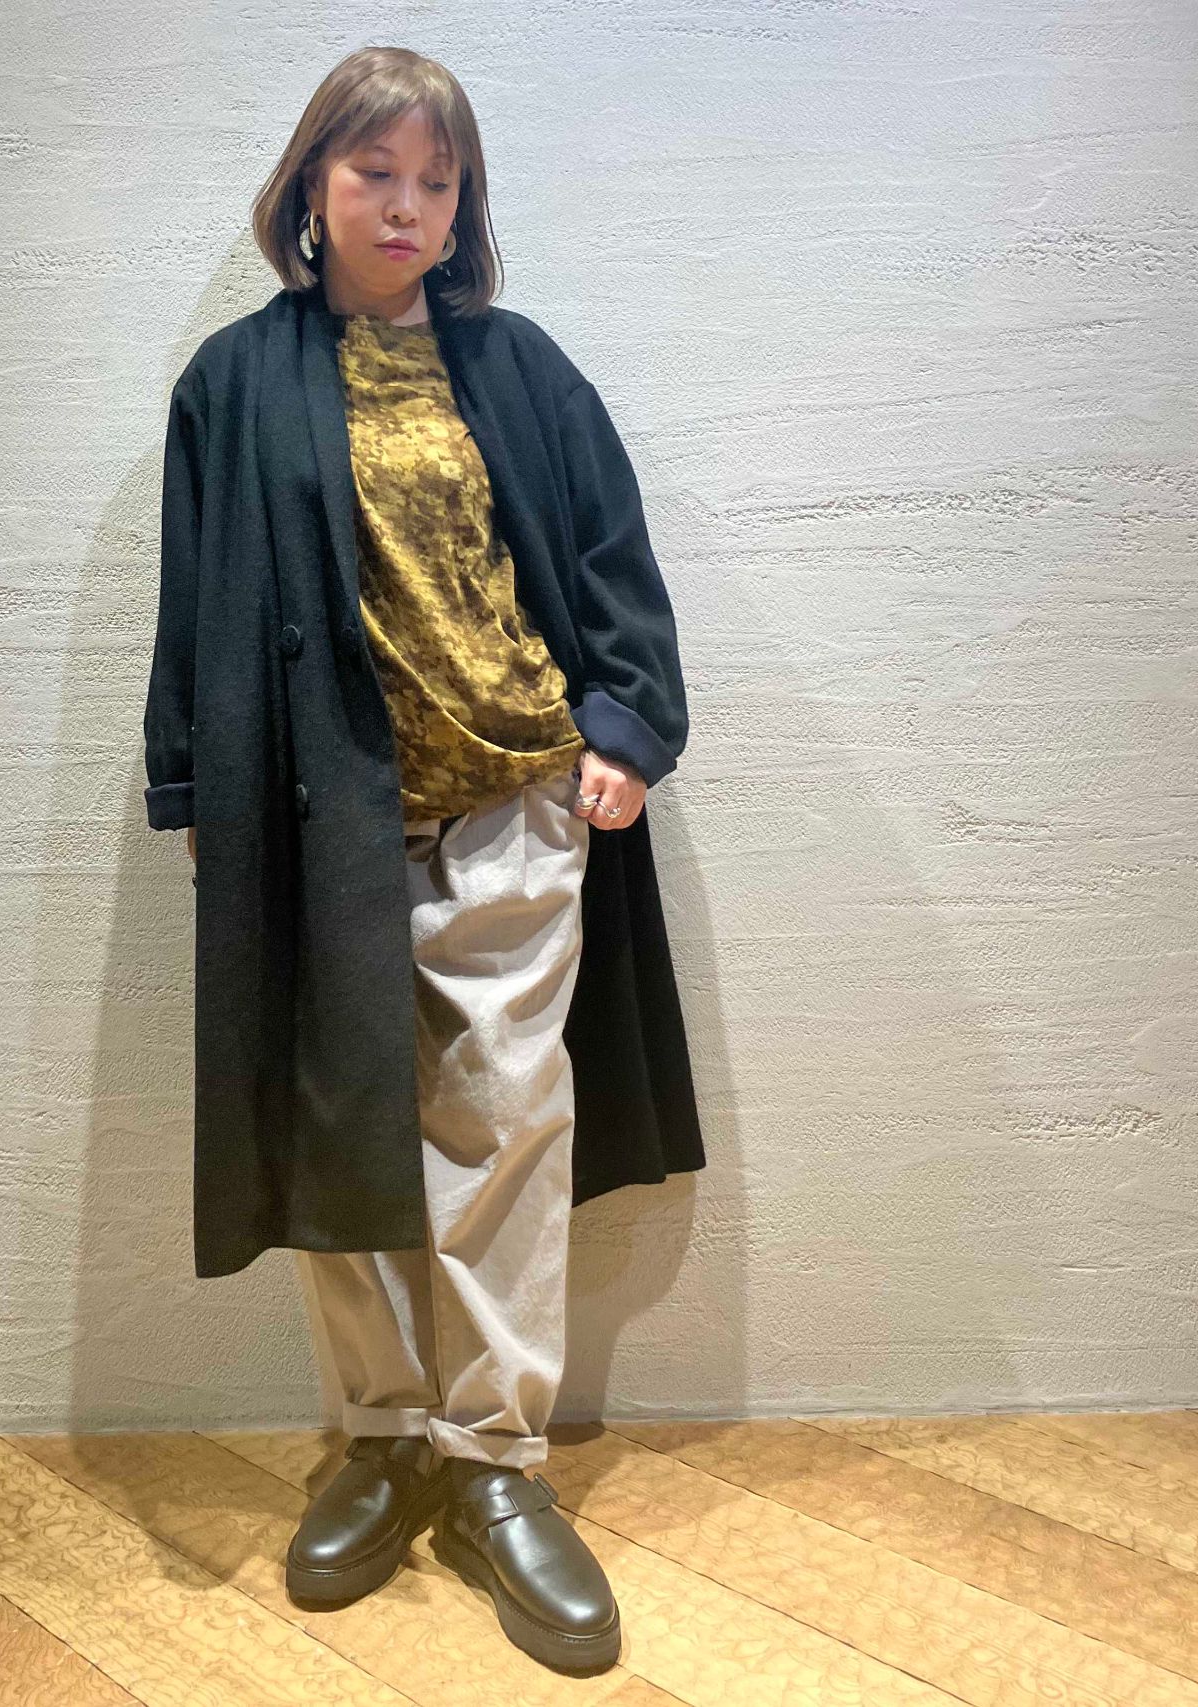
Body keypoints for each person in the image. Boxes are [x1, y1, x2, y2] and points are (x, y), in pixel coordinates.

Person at [144, 44, 700, 1676]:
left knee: (505, 1133)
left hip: (512, 807)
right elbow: (195, 602)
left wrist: (624, 723)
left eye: (436, 182)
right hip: (315, 820)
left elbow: (610, 553)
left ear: (465, 208)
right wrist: (195, 788)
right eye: (375, 173)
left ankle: (495, 1463)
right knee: (342, 1133)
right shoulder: (234, 384)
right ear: (311, 189)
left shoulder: (519, 368)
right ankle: (380, 1440)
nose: (406, 206)